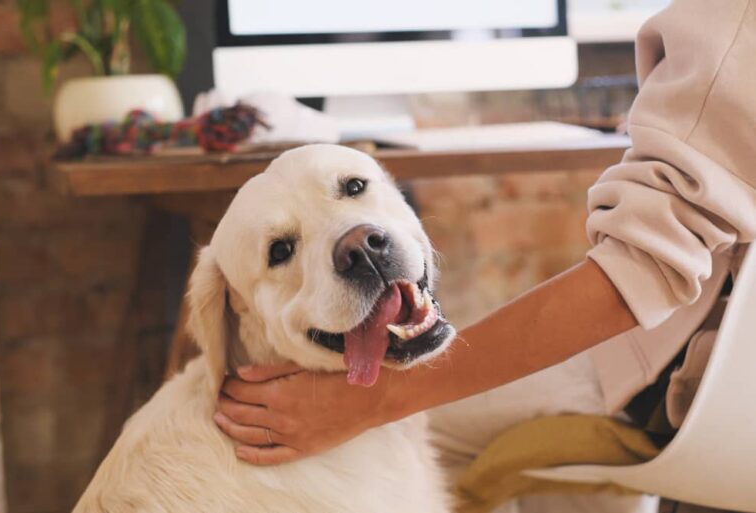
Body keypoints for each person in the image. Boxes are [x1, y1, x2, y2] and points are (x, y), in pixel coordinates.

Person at [214, 0, 756, 511]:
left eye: (356, 188)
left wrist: (373, 406)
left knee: (411, 437)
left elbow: (640, 273)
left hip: (706, 384)